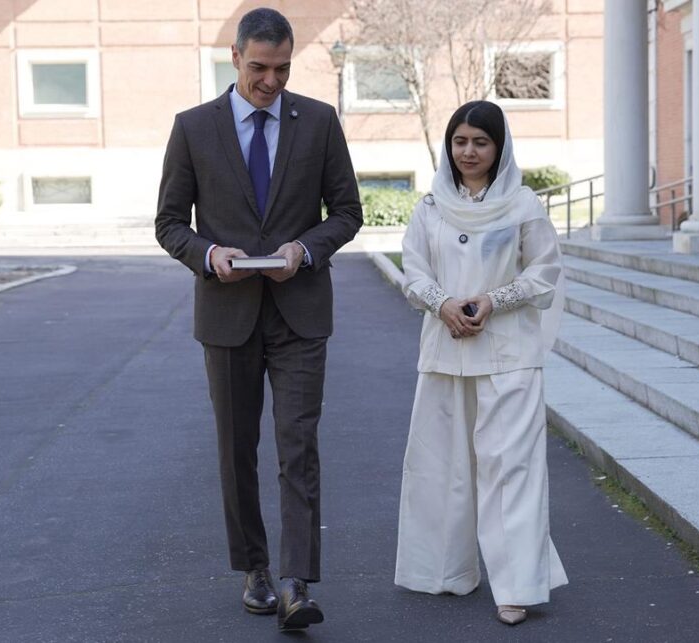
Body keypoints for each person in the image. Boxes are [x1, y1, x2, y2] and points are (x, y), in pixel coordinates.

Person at [154, 7, 362, 632]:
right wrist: (209, 255)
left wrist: (304, 249)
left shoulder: (320, 122)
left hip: (299, 310)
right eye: (259, 68)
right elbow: (168, 223)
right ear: (235, 58)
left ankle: (298, 582)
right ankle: (256, 571)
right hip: (227, 314)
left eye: (282, 68)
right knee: (236, 450)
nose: (271, 81)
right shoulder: (193, 128)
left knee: (298, 448)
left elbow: (346, 212)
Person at [394, 100, 568, 625]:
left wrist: (496, 300)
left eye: (480, 142)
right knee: (440, 465)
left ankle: (515, 586)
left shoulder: (523, 205)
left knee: (510, 469)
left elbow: (545, 271)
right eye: (460, 141)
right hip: (446, 350)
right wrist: (441, 302)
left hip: (509, 353)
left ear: (499, 147)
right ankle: (445, 571)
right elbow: (413, 269)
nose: (468, 152)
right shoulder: (430, 207)